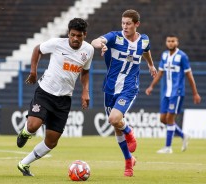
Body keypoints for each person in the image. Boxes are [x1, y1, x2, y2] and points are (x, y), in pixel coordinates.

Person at [16, 18, 94, 176]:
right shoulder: (57, 43)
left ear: (84, 35)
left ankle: (24, 164)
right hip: (45, 92)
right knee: (33, 126)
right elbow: (38, 49)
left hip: (64, 99)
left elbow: (85, 72)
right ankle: (25, 132)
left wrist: (85, 91)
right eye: (72, 35)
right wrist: (33, 71)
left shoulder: (89, 50)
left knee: (51, 141)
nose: (75, 39)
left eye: (79, 36)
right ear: (68, 33)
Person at [91, 9, 157, 177]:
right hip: (110, 88)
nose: (125, 26)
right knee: (115, 126)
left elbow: (146, 49)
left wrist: (150, 65)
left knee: (114, 119)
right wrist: (102, 44)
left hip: (129, 88)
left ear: (137, 24)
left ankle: (129, 132)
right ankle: (129, 161)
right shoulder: (115, 37)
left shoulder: (143, 40)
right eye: (123, 23)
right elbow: (95, 41)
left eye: (128, 23)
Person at [145, 34, 201, 154]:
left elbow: (189, 75)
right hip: (167, 93)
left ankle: (168, 147)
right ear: (166, 43)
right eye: (169, 41)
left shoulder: (182, 56)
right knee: (163, 119)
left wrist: (195, 93)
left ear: (177, 42)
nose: (171, 43)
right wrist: (151, 86)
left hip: (177, 92)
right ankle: (183, 135)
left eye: (173, 41)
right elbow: (160, 73)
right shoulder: (164, 55)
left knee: (170, 118)